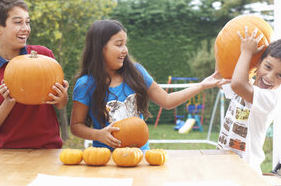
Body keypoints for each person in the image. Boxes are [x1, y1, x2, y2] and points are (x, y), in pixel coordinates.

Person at [70, 19, 228, 151]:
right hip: (105, 160)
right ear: (99, 49)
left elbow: (167, 101)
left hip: (141, 157)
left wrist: (201, 85)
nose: (125, 50)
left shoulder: (136, 72)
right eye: (118, 44)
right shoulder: (85, 84)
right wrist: (98, 135)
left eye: (125, 44)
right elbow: (76, 126)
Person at [0, 0, 69, 152]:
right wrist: (9, 102)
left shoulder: (44, 56)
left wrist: (62, 96)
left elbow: (60, 104)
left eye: (27, 22)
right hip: (6, 154)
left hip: (48, 150)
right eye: (18, 22)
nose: (26, 28)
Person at [216, 27, 281, 174]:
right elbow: (220, 76)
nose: (270, 77)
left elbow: (237, 84)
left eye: (280, 75)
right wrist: (223, 43)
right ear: (258, 63)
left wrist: (246, 52)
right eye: (267, 67)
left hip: (246, 170)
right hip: (225, 164)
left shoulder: (270, 98)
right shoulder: (246, 85)